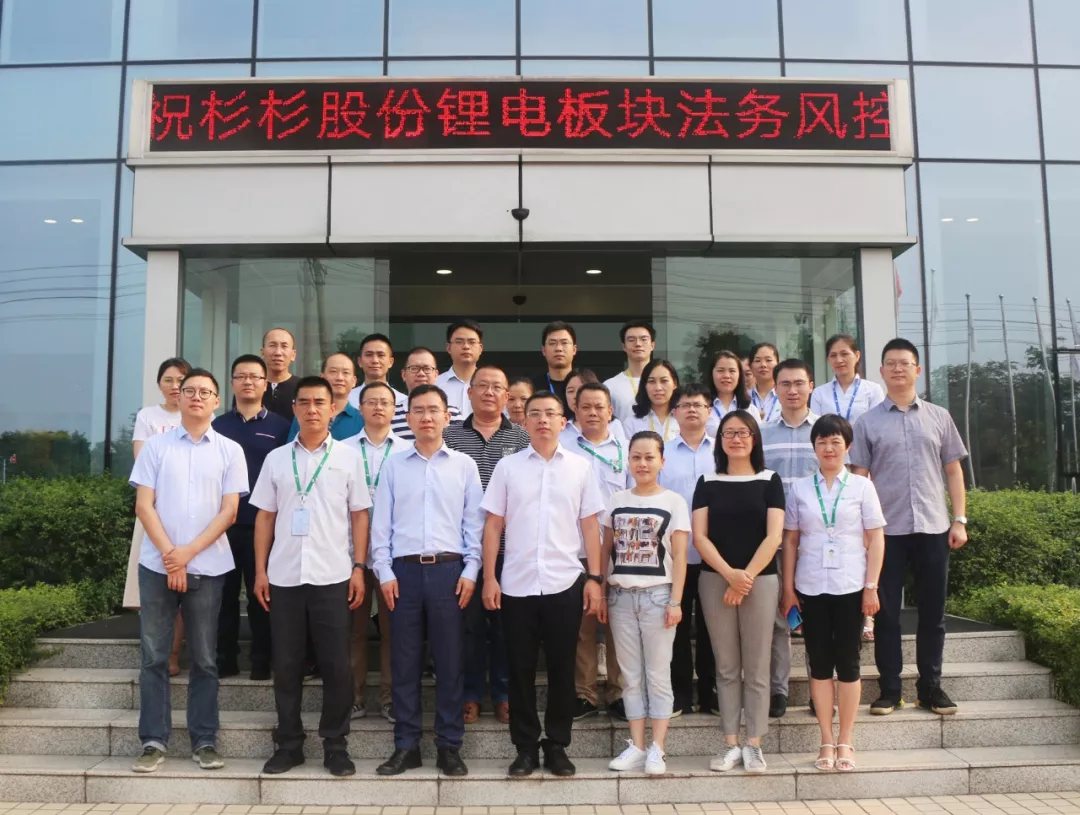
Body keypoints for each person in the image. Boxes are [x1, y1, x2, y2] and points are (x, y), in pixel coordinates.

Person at [129, 368, 249, 774]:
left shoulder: (230, 450)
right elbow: (144, 506)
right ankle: (152, 740)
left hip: (209, 566)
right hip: (156, 566)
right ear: (178, 398)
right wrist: (171, 556)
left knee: (205, 657)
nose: (197, 397)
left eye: (205, 392)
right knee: (153, 657)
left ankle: (205, 740)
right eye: (190, 391)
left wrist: (187, 555)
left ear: (217, 401)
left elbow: (229, 512)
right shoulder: (156, 447)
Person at [251, 376, 371, 778]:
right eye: (304, 402)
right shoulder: (277, 459)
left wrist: (358, 568)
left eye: (320, 402)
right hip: (284, 576)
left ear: (333, 409)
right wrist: (261, 571)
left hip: (332, 574)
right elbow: (264, 518)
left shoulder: (348, 458)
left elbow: (360, 516)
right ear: (295, 408)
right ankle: (289, 744)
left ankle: (336, 745)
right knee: (286, 665)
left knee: (336, 664)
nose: (312, 409)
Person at [480, 391, 605, 778]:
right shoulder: (508, 467)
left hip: (564, 581)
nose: (543, 420)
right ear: (524, 421)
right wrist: (490, 577)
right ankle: (524, 747)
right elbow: (493, 525)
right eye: (535, 414)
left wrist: (595, 578)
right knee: (519, 669)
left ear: (563, 422)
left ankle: (557, 745)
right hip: (516, 584)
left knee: (562, 668)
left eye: (551, 414)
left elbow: (590, 527)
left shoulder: (581, 468)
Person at [850, 338, 969, 717]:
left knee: (933, 613)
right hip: (885, 533)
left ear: (917, 370)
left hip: (933, 528)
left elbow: (953, 471)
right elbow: (859, 478)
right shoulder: (866, 423)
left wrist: (959, 519)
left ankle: (930, 688)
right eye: (891, 363)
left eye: (905, 363)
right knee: (885, 613)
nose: (898, 368)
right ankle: (890, 690)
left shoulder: (939, 417)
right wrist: (861, 529)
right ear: (881, 372)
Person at [371, 385, 485, 778]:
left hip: (449, 573)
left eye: (433, 410)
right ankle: (406, 746)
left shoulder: (464, 465)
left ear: (447, 416)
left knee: (450, 661)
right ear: (408, 417)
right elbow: (380, 524)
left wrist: (471, 570)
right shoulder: (393, 465)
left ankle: (449, 746)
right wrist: (383, 570)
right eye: (418, 410)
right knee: (404, 662)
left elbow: (474, 524)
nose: (426, 417)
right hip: (402, 574)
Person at [782, 414, 886, 773]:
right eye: (822, 442)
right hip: (811, 586)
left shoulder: (862, 487)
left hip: (851, 585)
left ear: (847, 446)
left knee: (849, 663)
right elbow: (791, 540)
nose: (829, 448)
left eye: (835, 442)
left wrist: (871, 587)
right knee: (819, 663)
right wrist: (788, 589)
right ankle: (826, 739)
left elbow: (876, 538)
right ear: (814, 447)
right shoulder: (800, 489)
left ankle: (846, 740)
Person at [692, 410, 785, 775]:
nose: (736, 439)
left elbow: (774, 536)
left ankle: (754, 744)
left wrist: (744, 578)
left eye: (743, 432)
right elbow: (700, 537)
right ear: (720, 441)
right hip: (715, 580)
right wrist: (730, 575)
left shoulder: (769, 480)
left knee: (757, 667)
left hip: (760, 582)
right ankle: (730, 742)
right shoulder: (707, 481)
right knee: (727, 666)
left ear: (754, 439)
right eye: (729, 433)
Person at [443, 365, 530, 726]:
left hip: (511, 548)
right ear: (469, 393)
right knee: (469, 626)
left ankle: (505, 695)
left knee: (507, 627)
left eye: (497, 387)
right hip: (463, 548)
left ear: (507, 396)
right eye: (482, 386)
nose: (489, 393)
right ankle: (471, 695)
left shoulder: (522, 438)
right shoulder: (450, 436)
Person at [602, 431, 689, 776]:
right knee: (630, 677)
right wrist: (601, 590)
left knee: (658, 674)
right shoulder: (616, 500)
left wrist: (676, 601)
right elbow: (606, 550)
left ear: (661, 461)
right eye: (636, 457)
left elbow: (680, 558)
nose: (642, 463)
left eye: (649, 457)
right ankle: (637, 746)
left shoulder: (674, 502)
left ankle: (658, 748)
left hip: (658, 597)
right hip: (621, 597)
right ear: (628, 461)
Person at [212, 355, 290, 681]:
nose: (248, 382)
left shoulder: (281, 427)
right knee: (224, 597)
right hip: (222, 526)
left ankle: (262, 661)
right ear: (232, 383)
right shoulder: (217, 426)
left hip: (265, 525)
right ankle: (225, 660)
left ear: (265, 384)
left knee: (263, 596)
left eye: (255, 377)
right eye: (241, 376)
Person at [342, 380, 413, 722]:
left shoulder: (407, 450)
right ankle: (353, 697)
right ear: (361, 407)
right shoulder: (342, 449)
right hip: (349, 553)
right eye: (371, 402)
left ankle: (389, 698)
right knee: (353, 630)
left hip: (393, 554)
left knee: (392, 630)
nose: (379, 407)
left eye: (385, 402)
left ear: (395, 408)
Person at [808, 333, 886, 642]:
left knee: (865, 540)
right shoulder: (820, 393)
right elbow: (819, 429)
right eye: (833, 355)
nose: (839, 360)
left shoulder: (872, 390)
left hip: (861, 469)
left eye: (845, 354)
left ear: (857, 356)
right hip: (831, 468)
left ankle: (868, 616)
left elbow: (877, 428)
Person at [123, 356, 191, 678]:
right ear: (159, 384)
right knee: (153, 588)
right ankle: (156, 657)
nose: (175, 386)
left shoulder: (202, 415)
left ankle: (175, 655)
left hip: (190, 516)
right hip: (151, 511)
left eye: (181, 381)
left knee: (186, 588)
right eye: (169, 380)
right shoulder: (147, 416)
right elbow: (142, 462)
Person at [760, 359, 819, 718]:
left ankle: (819, 689)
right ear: (775, 388)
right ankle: (778, 691)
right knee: (779, 618)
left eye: (799, 383)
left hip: (817, 542)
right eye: (785, 384)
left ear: (811, 385)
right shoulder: (762, 434)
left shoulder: (825, 431)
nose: (793, 390)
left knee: (818, 619)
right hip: (776, 541)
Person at [565, 383, 628, 721]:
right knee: (583, 626)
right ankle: (585, 694)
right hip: (577, 548)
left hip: (621, 549)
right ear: (575, 410)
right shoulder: (563, 446)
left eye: (599, 407)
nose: (592, 412)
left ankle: (619, 693)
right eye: (585, 406)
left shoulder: (625, 448)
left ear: (610, 411)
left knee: (619, 625)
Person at [659, 384, 718, 717]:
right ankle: (679, 693)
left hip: (714, 555)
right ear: (675, 412)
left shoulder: (723, 452)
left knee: (712, 626)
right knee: (676, 627)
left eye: (699, 404)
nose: (692, 409)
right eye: (685, 405)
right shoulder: (662, 454)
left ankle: (710, 691)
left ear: (710, 411)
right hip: (673, 555)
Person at [288, 353, 364, 441]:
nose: (339, 378)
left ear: (354, 381)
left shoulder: (363, 419)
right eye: (333, 371)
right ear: (322, 377)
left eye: (345, 373)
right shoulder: (306, 414)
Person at [390, 347, 461, 441]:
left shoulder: (453, 414)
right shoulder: (390, 414)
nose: (421, 373)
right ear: (403, 375)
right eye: (414, 368)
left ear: (436, 375)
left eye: (427, 368)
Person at [603, 321, 656, 426]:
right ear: (624, 346)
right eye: (631, 340)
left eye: (644, 339)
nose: (638, 344)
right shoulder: (610, 386)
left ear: (652, 345)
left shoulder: (664, 384)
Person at [560, 368, 627, 446]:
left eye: (581, 390)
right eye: (571, 391)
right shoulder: (560, 425)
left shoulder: (614, 425)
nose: (576, 396)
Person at [347, 333, 408, 412]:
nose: (375, 360)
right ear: (359, 361)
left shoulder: (403, 402)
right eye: (369, 355)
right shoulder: (347, 400)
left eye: (381, 355)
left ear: (391, 362)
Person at [624, 359, 680, 443]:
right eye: (651, 381)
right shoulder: (631, 423)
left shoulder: (684, 418)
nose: (658, 388)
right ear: (644, 385)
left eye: (664, 381)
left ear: (675, 383)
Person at [436, 319, 484, 419]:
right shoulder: (435, 385)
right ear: (448, 348)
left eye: (472, 342)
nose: (466, 346)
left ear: (480, 349)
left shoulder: (491, 386)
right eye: (459, 342)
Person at [705, 350, 756, 438]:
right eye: (720, 370)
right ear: (711, 374)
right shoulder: (702, 408)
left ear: (739, 375)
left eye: (732, 371)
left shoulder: (750, 409)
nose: (726, 376)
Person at [531, 321, 578, 410]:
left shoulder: (585, 385)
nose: (558, 348)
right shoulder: (532, 388)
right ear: (544, 350)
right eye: (552, 343)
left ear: (574, 349)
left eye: (564, 343)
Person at [261, 328, 301, 420]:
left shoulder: (303, 387)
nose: (278, 352)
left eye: (284, 346)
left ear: (293, 354)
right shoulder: (252, 387)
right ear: (262, 352)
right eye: (272, 345)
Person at [748, 343, 780, 423]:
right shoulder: (743, 397)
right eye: (757, 361)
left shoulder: (786, 395)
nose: (763, 365)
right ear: (750, 367)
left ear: (778, 364)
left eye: (768, 360)